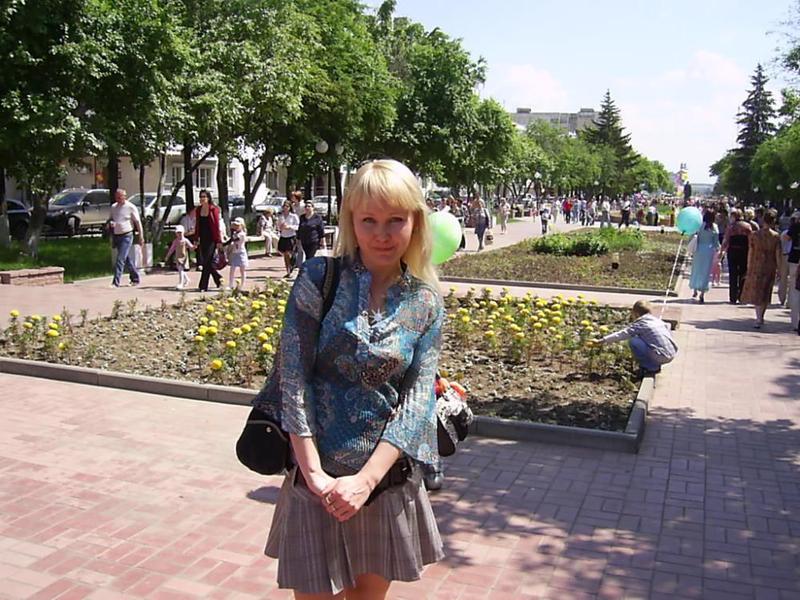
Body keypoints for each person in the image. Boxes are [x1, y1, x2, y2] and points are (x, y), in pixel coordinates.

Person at [260, 159, 445, 598]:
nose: (382, 234)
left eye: (395, 220)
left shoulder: (425, 302)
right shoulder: (319, 278)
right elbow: (293, 378)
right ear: (351, 221)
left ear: (415, 221)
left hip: (384, 485)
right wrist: (315, 475)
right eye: (369, 220)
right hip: (315, 483)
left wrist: (365, 481)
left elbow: (418, 400)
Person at [596, 300, 677, 376]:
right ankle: (654, 363)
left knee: (634, 341)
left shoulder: (641, 323)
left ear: (636, 314)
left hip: (661, 355)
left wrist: (602, 340)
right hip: (672, 353)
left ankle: (650, 368)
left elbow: (622, 334)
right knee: (643, 339)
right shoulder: (657, 321)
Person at [740, 209, 782, 329]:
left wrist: (748, 266)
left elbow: (750, 252)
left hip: (756, 264)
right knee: (766, 291)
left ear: (763, 220)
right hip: (770, 266)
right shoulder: (776, 237)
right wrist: (779, 269)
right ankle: (761, 316)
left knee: (757, 290)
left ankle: (758, 317)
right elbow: (778, 255)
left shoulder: (754, 235)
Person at [188, 189, 224, 292]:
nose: (202, 199)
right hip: (203, 238)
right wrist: (196, 238)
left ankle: (203, 286)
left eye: (204, 196)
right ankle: (218, 279)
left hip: (212, 239)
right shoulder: (198, 210)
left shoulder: (213, 209)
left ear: (208, 198)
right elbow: (197, 225)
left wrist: (218, 241)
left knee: (206, 261)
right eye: (201, 197)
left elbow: (216, 226)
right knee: (207, 262)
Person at [109, 189, 145, 288]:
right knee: (126, 259)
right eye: (117, 197)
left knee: (120, 259)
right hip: (117, 235)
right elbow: (111, 219)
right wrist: (111, 224)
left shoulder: (130, 207)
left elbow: (138, 222)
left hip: (127, 235)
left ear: (124, 196)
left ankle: (115, 282)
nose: (118, 199)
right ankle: (135, 278)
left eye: (120, 197)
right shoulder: (114, 207)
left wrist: (141, 236)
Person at [721, 209, 753, 304]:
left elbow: (726, 240)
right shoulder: (747, 226)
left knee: (733, 274)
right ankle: (742, 296)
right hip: (744, 252)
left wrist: (721, 251)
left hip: (733, 252)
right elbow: (751, 240)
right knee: (743, 273)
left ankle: (733, 297)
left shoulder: (731, 227)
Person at [688, 210, 720, 303]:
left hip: (698, 249)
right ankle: (702, 292)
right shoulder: (714, 227)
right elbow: (716, 242)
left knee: (696, 269)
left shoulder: (699, 225)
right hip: (708, 251)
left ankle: (694, 289)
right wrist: (719, 250)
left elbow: (692, 236)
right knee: (706, 272)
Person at [163, 224, 195, 289]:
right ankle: (185, 280)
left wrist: (194, 246)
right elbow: (171, 249)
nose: (179, 234)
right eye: (178, 233)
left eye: (180, 232)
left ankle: (181, 283)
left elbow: (191, 247)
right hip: (178, 257)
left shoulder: (185, 240)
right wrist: (167, 256)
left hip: (184, 257)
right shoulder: (175, 241)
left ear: (183, 232)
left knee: (181, 270)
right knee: (180, 269)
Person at [783, 211, 800, 329]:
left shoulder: (795, 226)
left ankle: (795, 321)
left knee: (795, 289)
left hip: (795, 258)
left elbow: (786, 237)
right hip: (795, 259)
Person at [277, 199, 299, 278]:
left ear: (290, 207)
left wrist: (289, 227)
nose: (285, 208)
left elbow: (297, 226)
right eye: (284, 206)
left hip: (291, 236)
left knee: (290, 254)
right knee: (285, 254)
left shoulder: (293, 216)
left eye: (287, 206)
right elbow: (278, 226)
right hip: (283, 236)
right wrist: (280, 227)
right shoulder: (281, 216)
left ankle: (292, 266)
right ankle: (288, 271)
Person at [225, 217, 249, 289]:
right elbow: (230, 240)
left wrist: (232, 233)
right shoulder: (235, 233)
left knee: (242, 270)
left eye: (238, 226)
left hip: (241, 253)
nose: (236, 227)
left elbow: (235, 239)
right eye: (235, 225)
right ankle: (230, 284)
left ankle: (242, 284)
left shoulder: (242, 234)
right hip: (235, 253)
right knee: (232, 269)